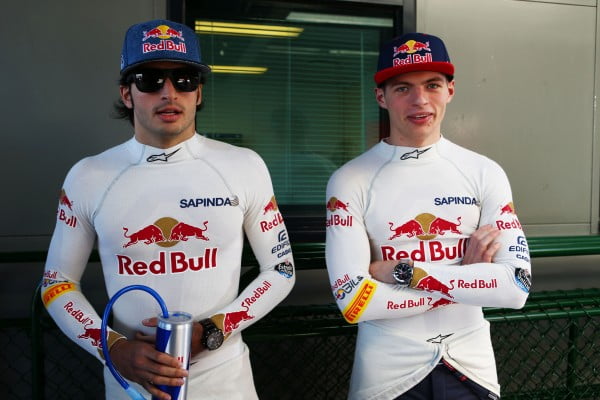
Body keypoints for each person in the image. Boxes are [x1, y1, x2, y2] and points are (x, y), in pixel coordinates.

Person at [41, 19, 295, 400]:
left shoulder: (244, 165)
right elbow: (56, 283)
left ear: (199, 92)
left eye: (184, 79)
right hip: (131, 382)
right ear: (127, 93)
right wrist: (113, 348)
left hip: (225, 380)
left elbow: (282, 269)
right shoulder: (88, 175)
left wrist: (213, 330)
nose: (169, 92)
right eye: (149, 80)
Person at [325, 32, 531, 400]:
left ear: (450, 90)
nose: (420, 100)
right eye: (403, 88)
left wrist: (406, 273)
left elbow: (516, 288)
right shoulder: (349, 179)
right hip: (385, 375)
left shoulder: (485, 172)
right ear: (380, 97)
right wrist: (466, 278)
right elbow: (354, 302)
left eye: (432, 85)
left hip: (473, 368)